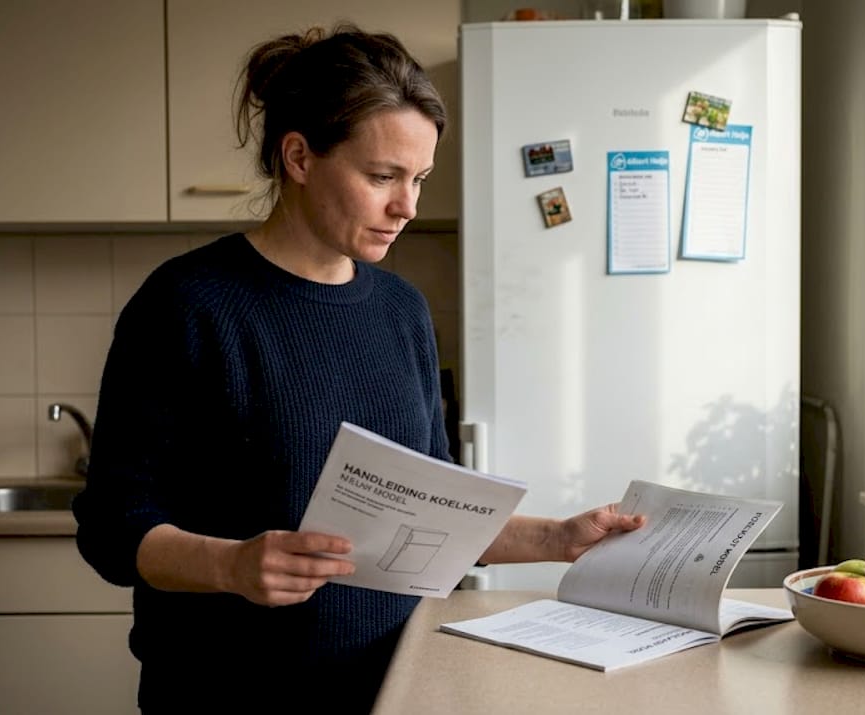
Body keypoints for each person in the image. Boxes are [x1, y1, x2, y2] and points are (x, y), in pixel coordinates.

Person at [71, 23, 645, 714]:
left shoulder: (401, 310)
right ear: (299, 157)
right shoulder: (188, 305)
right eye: (382, 177)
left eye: (419, 179)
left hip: (393, 689)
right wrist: (231, 564)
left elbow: (436, 512)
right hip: (226, 695)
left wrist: (557, 538)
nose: (407, 206)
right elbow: (112, 527)